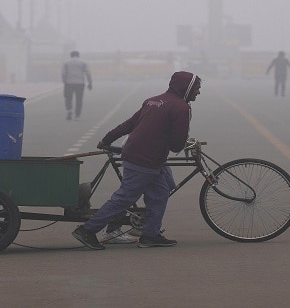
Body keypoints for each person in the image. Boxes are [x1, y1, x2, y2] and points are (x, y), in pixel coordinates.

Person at [72, 71, 202, 250]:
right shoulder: (181, 108)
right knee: (125, 197)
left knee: (161, 192)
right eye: (196, 88)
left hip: (145, 156)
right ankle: (87, 230)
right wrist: (179, 140)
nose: (198, 92)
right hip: (145, 158)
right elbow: (176, 145)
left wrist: (107, 139)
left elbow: (130, 123)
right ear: (186, 87)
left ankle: (150, 235)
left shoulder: (153, 100)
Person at [61, 50, 93, 120]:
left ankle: (69, 110)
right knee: (79, 99)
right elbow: (88, 73)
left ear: (71, 55)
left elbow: (63, 73)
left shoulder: (66, 62)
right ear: (78, 55)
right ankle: (77, 115)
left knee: (68, 98)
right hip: (80, 83)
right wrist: (90, 83)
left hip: (69, 83)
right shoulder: (83, 62)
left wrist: (64, 81)